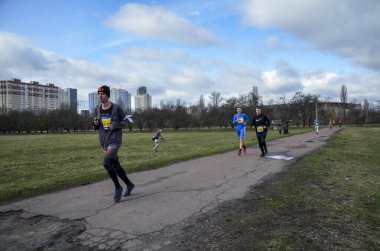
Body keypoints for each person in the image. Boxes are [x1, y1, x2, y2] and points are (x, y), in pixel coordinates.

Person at [93, 85, 135, 203]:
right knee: (115, 165)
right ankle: (129, 184)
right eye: (99, 94)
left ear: (108, 95)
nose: (100, 96)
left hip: (115, 140)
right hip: (104, 140)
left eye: (103, 94)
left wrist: (116, 125)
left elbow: (127, 120)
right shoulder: (97, 108)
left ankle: (118, 187)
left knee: (106, 163)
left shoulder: (116, 108)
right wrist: (95, 123)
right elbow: (96, 126)